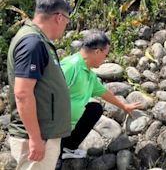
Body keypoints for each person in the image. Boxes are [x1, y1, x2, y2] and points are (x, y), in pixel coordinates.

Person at [7, 0, 72, 169]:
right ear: (59, 17)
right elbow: (22, 93)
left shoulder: (39, 41)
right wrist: (35, 139)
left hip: (42, 134)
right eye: (67, 20)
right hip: (37, 137)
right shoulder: (33, 43)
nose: (65, 26)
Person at [58, 30, 142, 162]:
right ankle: (56, 152)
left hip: (68, 126)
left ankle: (66, 148)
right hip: (53, 129)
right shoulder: (71, 66)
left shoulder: (89, 73)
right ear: (97, 52)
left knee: (94, 109)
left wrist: (124, 106)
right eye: (105, 55)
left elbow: (103, 92)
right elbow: (46, 91)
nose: (105, 59)